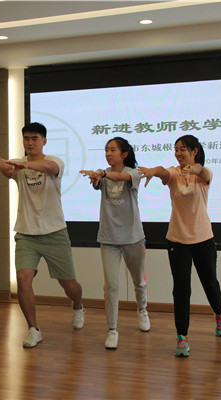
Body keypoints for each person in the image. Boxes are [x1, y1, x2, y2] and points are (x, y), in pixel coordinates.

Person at [0, 122, 84, 348]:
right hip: (26, 234)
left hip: (55, 233)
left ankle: (78, 305)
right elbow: (3, 164)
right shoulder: (17, 165)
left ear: (44, 141)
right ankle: (34, 329)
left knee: (69, 285)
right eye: (26, 138)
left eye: (34, 138)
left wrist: (24, 165)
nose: (30, 142)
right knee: (23, 279)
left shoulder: (54, 161)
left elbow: (50, 167)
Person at [138, 134, 221, 357]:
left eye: (183, 149)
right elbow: (163, 171)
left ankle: (220, 315)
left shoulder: (203, 175)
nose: (178, 153)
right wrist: (153, 171)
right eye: (176, 149)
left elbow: (202, 171)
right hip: (177, 240)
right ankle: (182, 337)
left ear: (194, 151)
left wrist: (193, 169)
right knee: (181, 289)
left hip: (203, 239)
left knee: (210, 284)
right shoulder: (174, 173)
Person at [79, 137, 149, 350]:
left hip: (133, 237)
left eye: (113, 150)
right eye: (106, 150)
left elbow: (121, 177)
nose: (108, 154)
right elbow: (98, 183)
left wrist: (102, 174)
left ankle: (142, 310)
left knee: (139, 281)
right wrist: (96, 178)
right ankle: (112, 330)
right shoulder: (103, 174)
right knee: (111, 286)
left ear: (124, 154)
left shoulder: (134, 173)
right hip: (108, 238)